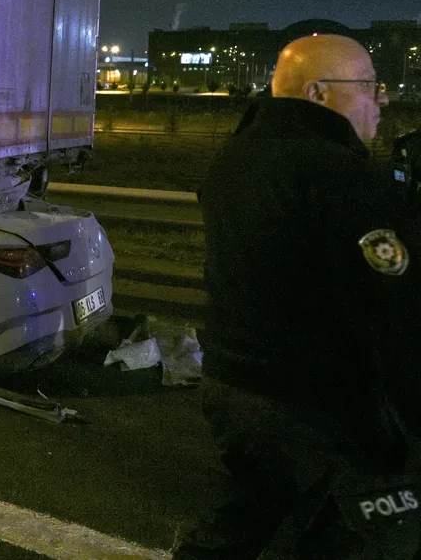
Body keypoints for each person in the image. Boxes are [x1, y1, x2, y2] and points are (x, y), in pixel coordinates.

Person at [173, 34, 420, 559]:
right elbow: (392, 307)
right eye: (369, 86)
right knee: (345, 530)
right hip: (307, 401)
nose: (381, 100)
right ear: (318, 94)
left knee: (245, 516)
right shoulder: (344, 176)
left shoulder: (236, 158)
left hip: (232, 380)